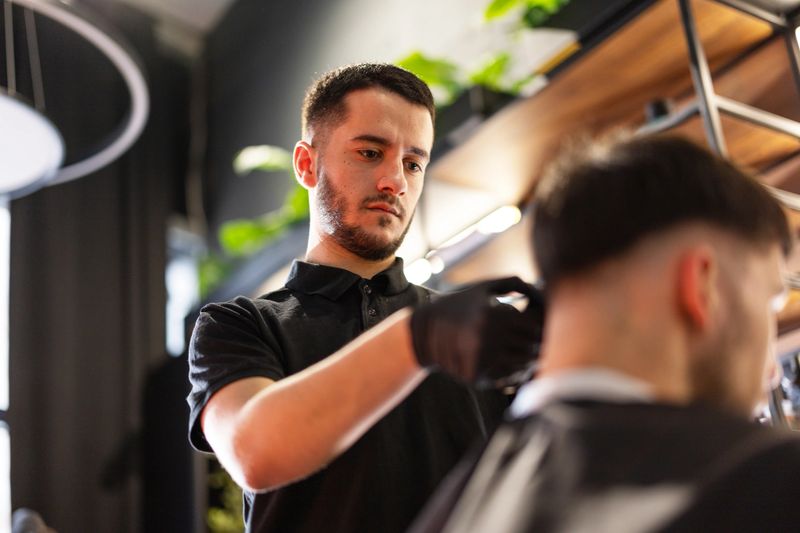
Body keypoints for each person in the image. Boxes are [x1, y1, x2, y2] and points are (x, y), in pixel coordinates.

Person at [186, 63, 542, 533]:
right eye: (370, 152)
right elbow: (253, 453)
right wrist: (419, 338)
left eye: (413, 163)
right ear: (306, 164)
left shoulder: (476, 334)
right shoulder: (242, 325)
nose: (396, 181)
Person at [409, 134, 800, 533]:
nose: (772, 372)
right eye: (768, 305)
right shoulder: (770, 483)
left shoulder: (455, 507)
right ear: (702, 285)